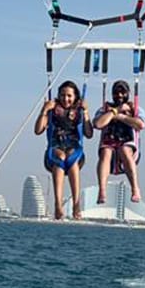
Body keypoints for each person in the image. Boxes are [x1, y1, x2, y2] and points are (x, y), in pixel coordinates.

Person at [34, 81, 93, 220]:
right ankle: (58, 205)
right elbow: (37, 130)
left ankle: (76, 204)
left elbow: (89, 134)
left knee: (72, 161)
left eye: (69, 96)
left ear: (75, 97)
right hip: (55, 148)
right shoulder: (52, 110)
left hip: (74, 148)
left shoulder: (79, 110)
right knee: (60, 159)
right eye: (62, 95)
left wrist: (86, 112)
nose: (65, 99)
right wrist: (44, 110)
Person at [93, 80, 145, 204]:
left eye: (123, 93)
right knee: (106, 152)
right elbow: (98, 124)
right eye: (116, 93)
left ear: (128, 93)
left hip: (127, 143)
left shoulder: (135, 109)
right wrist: (115, 111)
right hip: (109, 143)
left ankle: (135, 188)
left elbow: (140, 125)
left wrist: (122, 117)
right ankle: (102, 190)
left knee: (124, 150)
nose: (120, 96)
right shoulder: (104, 109)